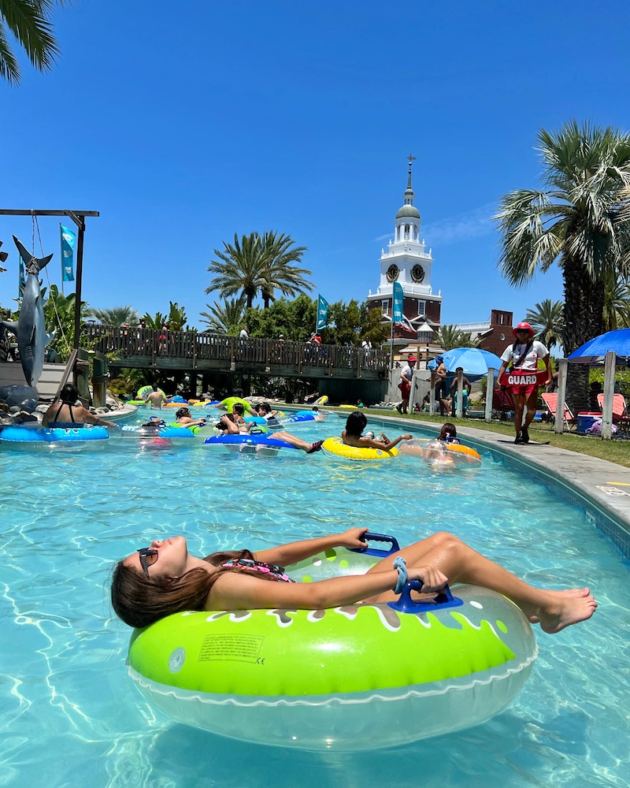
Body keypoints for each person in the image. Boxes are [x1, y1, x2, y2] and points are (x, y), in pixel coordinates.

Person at [111, 527, 597, 635]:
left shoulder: (215, 564)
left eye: (145, 546)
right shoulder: (219, 588)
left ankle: (537, 601)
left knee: (443, 538)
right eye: (149, 557)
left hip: (340, 606)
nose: (154, 543)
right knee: (450, 555)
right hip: (343, 620)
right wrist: (402, 575)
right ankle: (549, 610)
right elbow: (313, 596)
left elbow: (279, 556)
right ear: (163, 587)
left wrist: (338, 539)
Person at [497, 322, 552, 445]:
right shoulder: (511, 347)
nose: (522, 333)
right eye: (520, 331)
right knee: (519, 408)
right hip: (516, 379)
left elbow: (547, 361)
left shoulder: (537, 345)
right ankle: (518, 435)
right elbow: (504, 364)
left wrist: (549, 378)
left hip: (531, 378)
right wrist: (499, 378)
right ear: (516, 333)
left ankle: (524, 427)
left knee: (532, 410)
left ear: (529, 333)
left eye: (525, 331)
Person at [43, 383, 116, 428]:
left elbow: (44, 424)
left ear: (62, 395)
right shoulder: (80, 410)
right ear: (76, 397)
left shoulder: (53, 408)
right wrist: (110, 424)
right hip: (74, 444)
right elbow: (97, 421)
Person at [342, 411, 411, 453]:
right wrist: (401, 437)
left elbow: (357, 440)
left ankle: (377, 441)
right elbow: (386, 448)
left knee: (370, 433)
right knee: (381, 435)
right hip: (365, 443)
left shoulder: (344, 434)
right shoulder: (366, 440)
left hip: (361, 442)